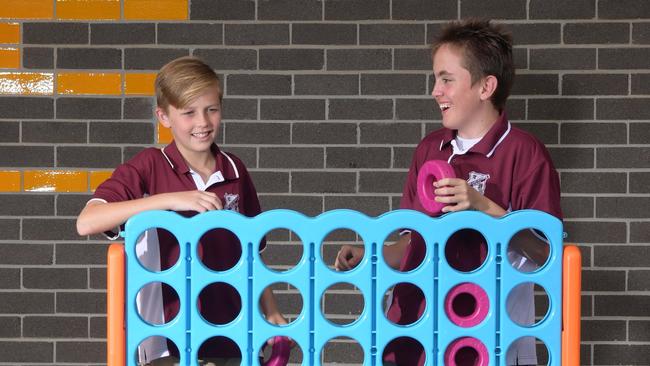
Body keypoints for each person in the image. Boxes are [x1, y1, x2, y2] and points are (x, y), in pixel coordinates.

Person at [335, 18, 562, 366]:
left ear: (485, 87)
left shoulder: (525, 153)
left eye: (446, 79)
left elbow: (547, 255)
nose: (435, 90)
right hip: (417, 331)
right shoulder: (429, 149)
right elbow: (414, 245)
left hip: (490, 336)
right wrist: (370, 254)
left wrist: (483, 207)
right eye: (435, 78)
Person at [77, 56, 288, 366]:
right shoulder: (149, 165)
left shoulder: (235, 169)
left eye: (211, 109)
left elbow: (252, 252)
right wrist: (170, 200)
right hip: (168, 333)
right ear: (164, 117)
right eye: (189, 113)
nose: (202, 122)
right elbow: (87, 222)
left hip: (233, 325)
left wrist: (270, 310)